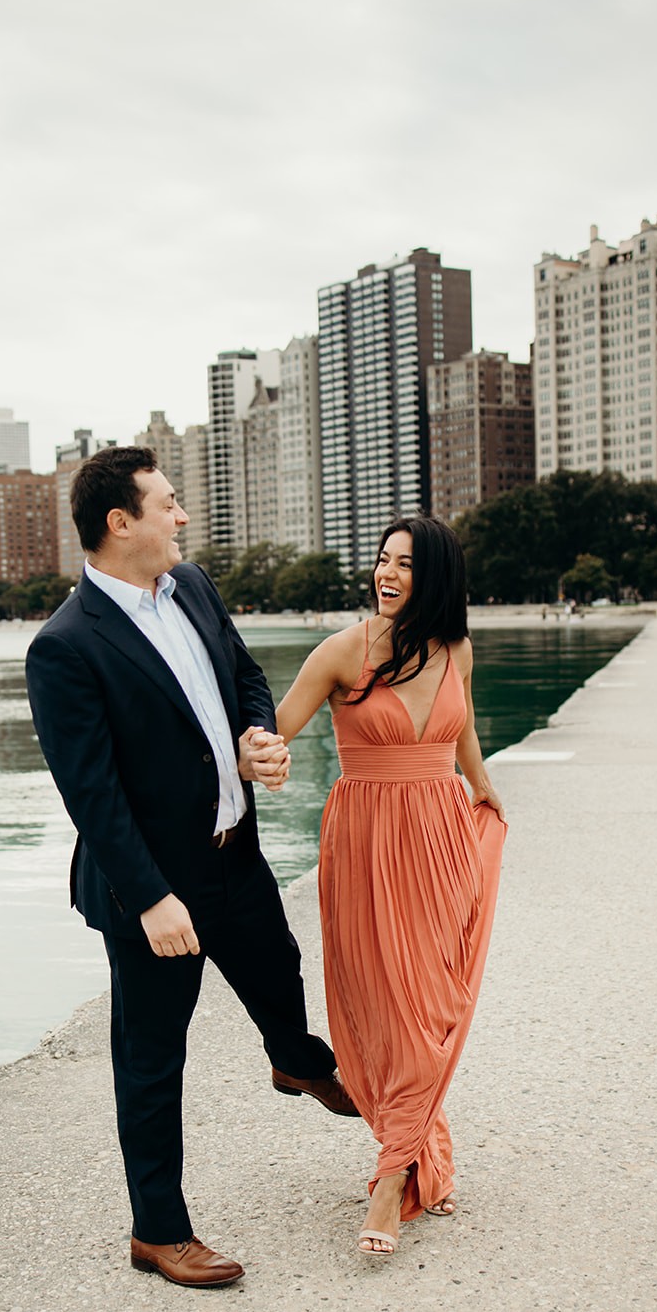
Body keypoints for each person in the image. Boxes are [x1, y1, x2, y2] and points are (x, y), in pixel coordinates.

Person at [25, 446, 358, 1290]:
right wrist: (150, 900)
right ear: (120, 522)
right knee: (150, 1058)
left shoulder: (195, 587)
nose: (181, 518)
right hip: (153, 891)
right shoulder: (65, 647)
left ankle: (295, 1061)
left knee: (279, 975)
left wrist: (256, 739)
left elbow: (245, 678)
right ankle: (158, 1232)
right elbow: (90, 795)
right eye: (167, 505)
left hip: (232, 855)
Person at [274, 516, 506, 1258]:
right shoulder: (343, 649)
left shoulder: (454, 648)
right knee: (385, 1004)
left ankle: (390, 1173)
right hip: (366, 843)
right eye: (380, 561)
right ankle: (397, 1166)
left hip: (442, 837)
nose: (386, 574)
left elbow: (461, 731)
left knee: (435, 1002)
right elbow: (276, 728)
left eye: (403, 564)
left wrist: (485, 787)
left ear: (433, 574)